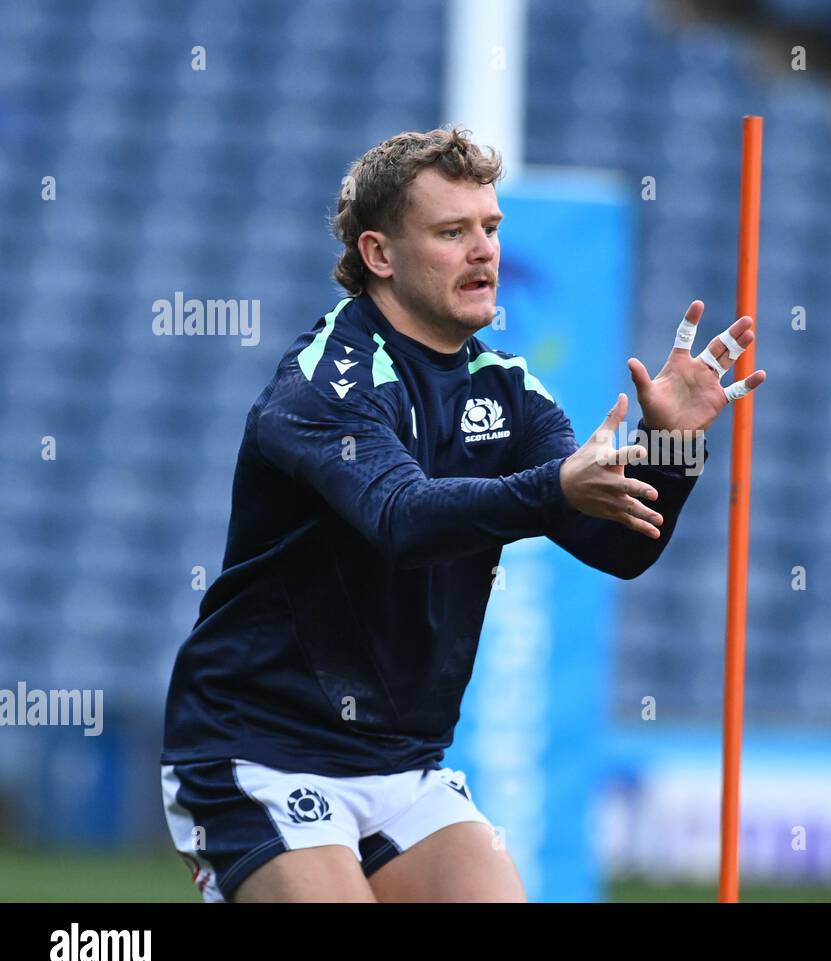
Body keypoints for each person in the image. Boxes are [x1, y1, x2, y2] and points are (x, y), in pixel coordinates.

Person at [159, 126, 766, 902]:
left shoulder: (509, 389)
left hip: (402, 762)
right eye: (452, 232)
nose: (484, 251)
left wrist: (671, 445)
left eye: (490, 228)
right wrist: (552, 488)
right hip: (257, 750)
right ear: (379, 255)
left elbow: (617, 545)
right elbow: (401, 518)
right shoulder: (325, 383)